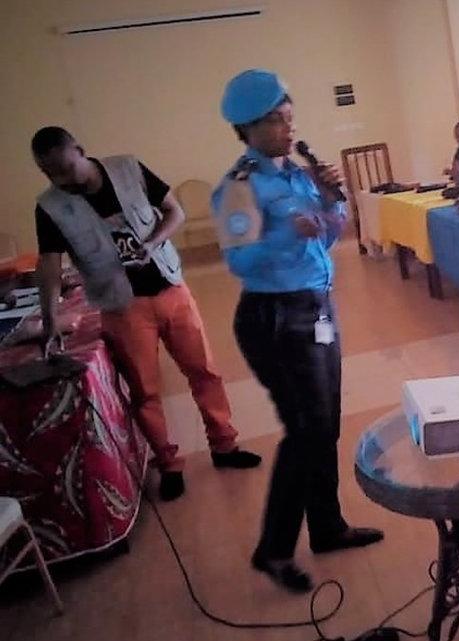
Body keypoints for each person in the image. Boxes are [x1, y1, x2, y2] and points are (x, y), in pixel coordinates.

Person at [214, 69, 383, 593]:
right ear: (248, 128)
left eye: (290, 118)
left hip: (317, 309)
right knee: (305, 430)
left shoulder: (299, 175)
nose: (288, 129)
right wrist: (287, 233)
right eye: (276, 121)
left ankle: (327, 527)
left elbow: (326, 240)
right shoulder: (239, 188)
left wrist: (332, 202)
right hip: (274, 319)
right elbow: (238, 261)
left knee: (325, 425)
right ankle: (273, 549)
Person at [31, 126, 261, 502]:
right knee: (145, 392)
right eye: (49, 173)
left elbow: (174, 211)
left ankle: (224, 445)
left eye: (65, 168)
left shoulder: (128, 168)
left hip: (172, 288)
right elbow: (50, 266)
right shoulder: (50, 206)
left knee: (204, 372)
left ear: (81, 150)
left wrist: (153, 242)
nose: (60, 180)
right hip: (121, 308)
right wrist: (49, 316)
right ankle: (168, 465)